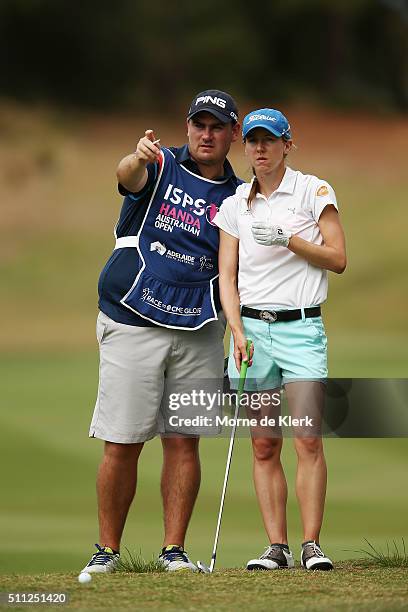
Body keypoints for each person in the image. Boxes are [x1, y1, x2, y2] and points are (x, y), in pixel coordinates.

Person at [80, 90, 241, 574]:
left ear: (231, 134)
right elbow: (127, 176)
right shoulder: (160, 163)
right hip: (133, 320)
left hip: (197, 327)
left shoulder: (238, 196)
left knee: (183, 440)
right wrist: (136, 155)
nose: (205, 134)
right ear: (187, 126)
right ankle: (106, 552)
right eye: (198, 124)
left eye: (216, 127)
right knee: (122, 440)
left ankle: (174, 552)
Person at [214, 108, 346, 571]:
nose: (260, 149)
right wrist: (236, 330)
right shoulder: (235, 205)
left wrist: (290, 240)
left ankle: (312, 544)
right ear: (244, 146)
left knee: (307, 438)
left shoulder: (313, 191)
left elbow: (338, 257)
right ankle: (277, 547)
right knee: (264, 443)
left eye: (269, 140)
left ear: (288, 144)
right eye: (252, 141)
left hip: (302, 329)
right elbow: (226, 278)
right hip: (251, 332)